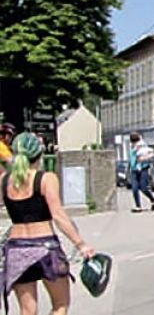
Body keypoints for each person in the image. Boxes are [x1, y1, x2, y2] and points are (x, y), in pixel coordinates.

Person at [1, 132, 95, 315]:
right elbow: (58, 216)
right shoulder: (46, 179)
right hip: (45, 247)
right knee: (60, 305)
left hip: (16, 248)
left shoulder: (4, 181)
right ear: (39, 155)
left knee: (27, 310)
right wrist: (81, 244)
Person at [128, 132, 154, 213]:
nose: (134, 143)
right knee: (134, 188)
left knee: (143, 187)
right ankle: (138, 206)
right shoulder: (131, 149)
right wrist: (128, 170)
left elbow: (151, 154)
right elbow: (130, 160)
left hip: (143, 169)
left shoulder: (143, 146)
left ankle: (153, 199)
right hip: (134, 170)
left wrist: (143, 158)